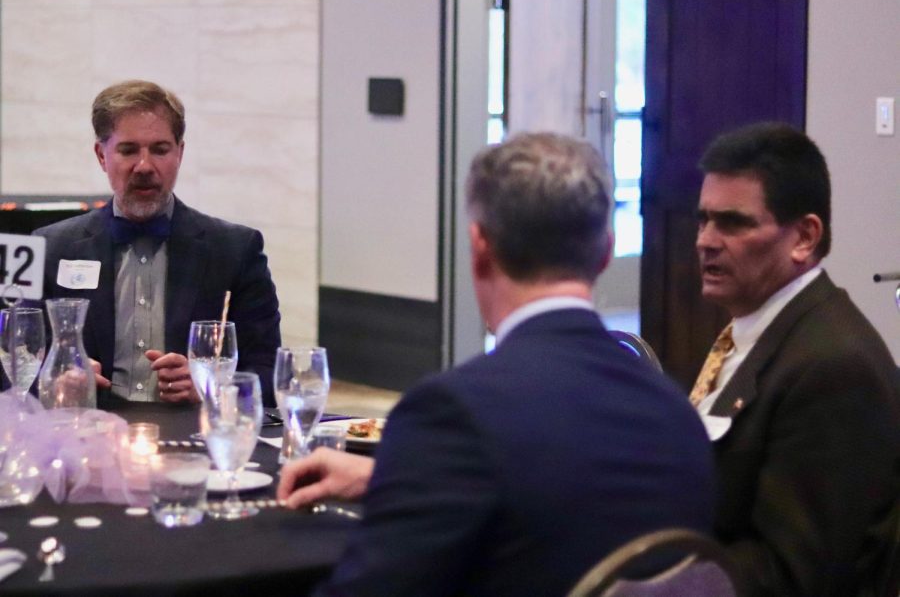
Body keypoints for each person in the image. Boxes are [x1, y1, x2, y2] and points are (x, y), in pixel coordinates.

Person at [278, 132, 715, 596]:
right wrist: (396, 478)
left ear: (479, 248)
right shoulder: (678, 414)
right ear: (605, 252)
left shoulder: (453, 413)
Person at [691, 121, 900, 596]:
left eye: (733, 222)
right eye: (703, 219)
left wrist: (663, 577)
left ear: (804, 237)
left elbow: (793, 576)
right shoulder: (756, 331)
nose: (705, 239)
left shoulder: (833, 366)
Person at [33, 80, 281, 407]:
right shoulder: (51, 247)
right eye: (128, 149)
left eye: (160, 150)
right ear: (101, 155)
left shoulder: (236, 250)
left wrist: (216, 387)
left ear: (180, 152)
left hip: (196, 440)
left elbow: (271, 372)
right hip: (87, 435)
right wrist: (56, 379)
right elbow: (11, 362)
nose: (145, 166)